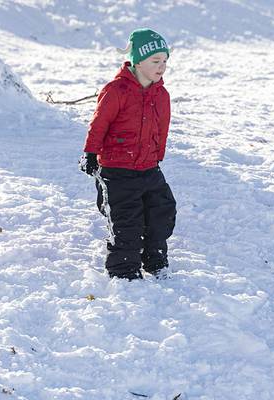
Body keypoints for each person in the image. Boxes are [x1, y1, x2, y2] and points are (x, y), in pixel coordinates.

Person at [79, 28, 176, 280]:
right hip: (117, 170)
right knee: (126, 221)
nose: (162, 66)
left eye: (165, 61)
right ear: (138, 61)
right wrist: (90, 153)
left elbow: (162, 127)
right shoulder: (116, 90)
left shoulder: (161, 94)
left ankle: (155, 260)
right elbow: (99, 124)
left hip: (149, 167)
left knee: (161, 212)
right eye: (155, 61)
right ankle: (124, 271)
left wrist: (157, 156)